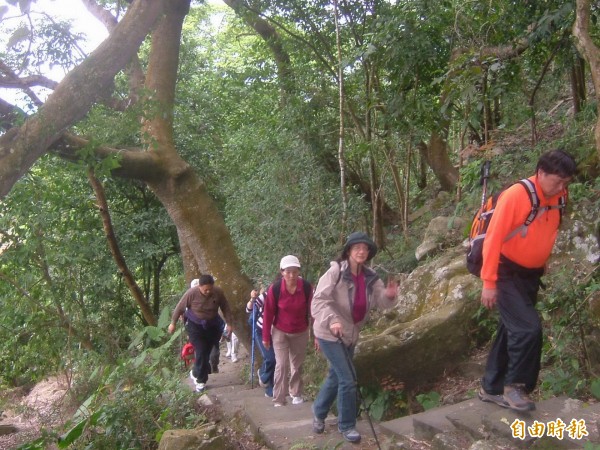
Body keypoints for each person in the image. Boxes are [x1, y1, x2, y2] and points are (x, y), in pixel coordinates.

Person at [478, 149, 576, 412]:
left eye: (566, 182)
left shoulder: (558, 196)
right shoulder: (516, 195)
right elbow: (493, 239)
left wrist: (542, 262)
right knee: (527, 329)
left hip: (530, 275)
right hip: (504, 271)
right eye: (557, 180)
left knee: (509, 329)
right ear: (541, 173)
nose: (561, 186)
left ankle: (491, 387)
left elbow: (548, 229)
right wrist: (488, 282)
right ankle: (515, 387)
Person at [311, 232, 398, 443]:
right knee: (348, 379)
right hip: (328, 332)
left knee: (336, 375)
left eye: (365, 248)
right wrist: (332, 320)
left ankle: (319, 412)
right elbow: (318, 301)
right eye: (356, 247)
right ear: (348, 251)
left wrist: (389, 295)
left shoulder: (371, 277)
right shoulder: (335, 272)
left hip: (350, 335)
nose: (361, 251)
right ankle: (347, 425)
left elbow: (381, 302)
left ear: (368, 253)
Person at [262, 255, 313, 407]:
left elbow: (313, 311)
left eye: (294, 271)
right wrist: (265, 336)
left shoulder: (306, 287)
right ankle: (279, 398)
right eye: (288, 272)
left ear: (298, 271)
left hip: (300, 331)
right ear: (282, 272)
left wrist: (316, 334)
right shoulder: (276, 289)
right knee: (281, 365)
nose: (291, 275)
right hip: (280, 331)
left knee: (296, 365)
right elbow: (268, 313)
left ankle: (295, 392)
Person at [168, 274, 233, 392]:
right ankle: (201, 381)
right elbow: (179, 308)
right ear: (199, 287)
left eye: (210, 289)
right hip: (195, 326)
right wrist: (173, 323)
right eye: (205, 289)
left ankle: (195, 372)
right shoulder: (191, 293)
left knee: (207, 352)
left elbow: (225, 307)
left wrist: (229, 323)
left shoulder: (218, 292)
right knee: (201, 350)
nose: (208, 291)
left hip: (212, 325)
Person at [246, 288, 276, 397]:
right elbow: (249, 309)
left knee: (276, 360)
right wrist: (252, 299)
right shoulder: (267, 295)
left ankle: (270, 389)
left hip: (278, 333)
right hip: (261, 331)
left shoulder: (292, 296)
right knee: (271, 358)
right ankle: (263, 375)